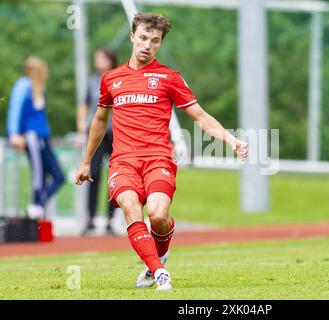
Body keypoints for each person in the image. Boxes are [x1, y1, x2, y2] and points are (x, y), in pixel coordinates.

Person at [74, 13, 248, 291]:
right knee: (131, 207)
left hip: (158, 159)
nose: (147, 45)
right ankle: (159, 272)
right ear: (132, 37)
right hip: (123, 163)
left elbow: (200, 116)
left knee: (157, 215)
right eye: (143, 38)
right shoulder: (111, 79)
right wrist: (86, 161)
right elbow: (99, 120)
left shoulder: (169, 78)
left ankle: (160, 255)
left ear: (160, 44)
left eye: (155, 41)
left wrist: (230, 138)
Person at [6, 56, 65, 219]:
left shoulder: (39, 89)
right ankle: (36, 205)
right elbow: (15, 110)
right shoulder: (23, 85)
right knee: (39, 174)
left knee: (58, 175)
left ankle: (37, 205)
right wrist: (14, 133)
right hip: (32, 137)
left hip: (42, 137)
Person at [77, 49, 118, 236]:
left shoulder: (119, 78)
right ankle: (91, 219)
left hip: (116, 133)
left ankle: (110, 220)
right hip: (97, 134)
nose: (97, 62)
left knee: (115, 177)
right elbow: (84, 103)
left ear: (110, 61)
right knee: (93, 174)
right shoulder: (92, 81)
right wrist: (81, 124)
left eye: (101, 58)